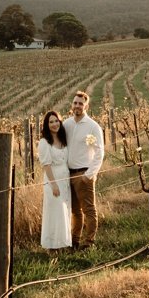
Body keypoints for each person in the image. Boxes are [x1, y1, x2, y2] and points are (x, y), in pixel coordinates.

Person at [62, 89, 104, 248]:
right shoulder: (66, 124)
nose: (77, 106)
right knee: (75, 212)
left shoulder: (93, 127)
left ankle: (89, 242)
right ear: (72, 105)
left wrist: (89, 175)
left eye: (81, 103)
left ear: (86, 106)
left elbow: (99, 152)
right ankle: (74, 241)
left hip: (84, 174)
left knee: (89, 210)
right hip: (68, 175)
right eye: (75, 103)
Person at [37, 110, 72, 251]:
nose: (54, 124)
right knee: (55, 212)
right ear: (46, 125)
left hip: (65, 180)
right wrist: (54, 185)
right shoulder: (44, 142)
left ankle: (63, 243)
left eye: (56, 121)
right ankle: (52, 246)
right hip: (54, 180)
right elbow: (46, 165)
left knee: (64, 211)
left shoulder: (63, 139)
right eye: (51, 122)